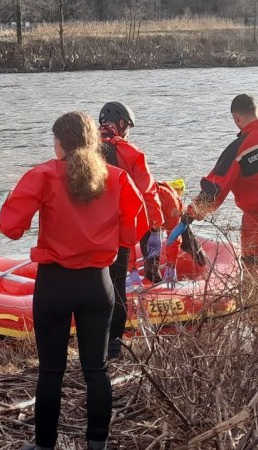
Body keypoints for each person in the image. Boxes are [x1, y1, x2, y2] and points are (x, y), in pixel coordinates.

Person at [0, 111, 148, 450]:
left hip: (55, 285)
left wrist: (14, 194)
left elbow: (10, 227)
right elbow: (133, 232)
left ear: (59, 143)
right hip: (98, 284)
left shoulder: (42, 175)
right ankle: (97, 444)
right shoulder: (117, 177)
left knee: (51, 372)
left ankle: (44, 446)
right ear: (93, 141)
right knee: (96, 370)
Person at [174, 94, 258, 265]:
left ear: (236, 119)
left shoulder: (239, 147)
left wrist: (188, 216)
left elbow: (214, 191)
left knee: (256, 280)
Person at [98, 101, 163, 357]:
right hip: (118, 232)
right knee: (115, 286)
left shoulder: (81, 147)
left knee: (90, 282)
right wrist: (155, 228)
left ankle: (89, 341)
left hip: (86, 231)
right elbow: (147, 191)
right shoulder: (130, 152)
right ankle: (112, 344)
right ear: (122, 124)